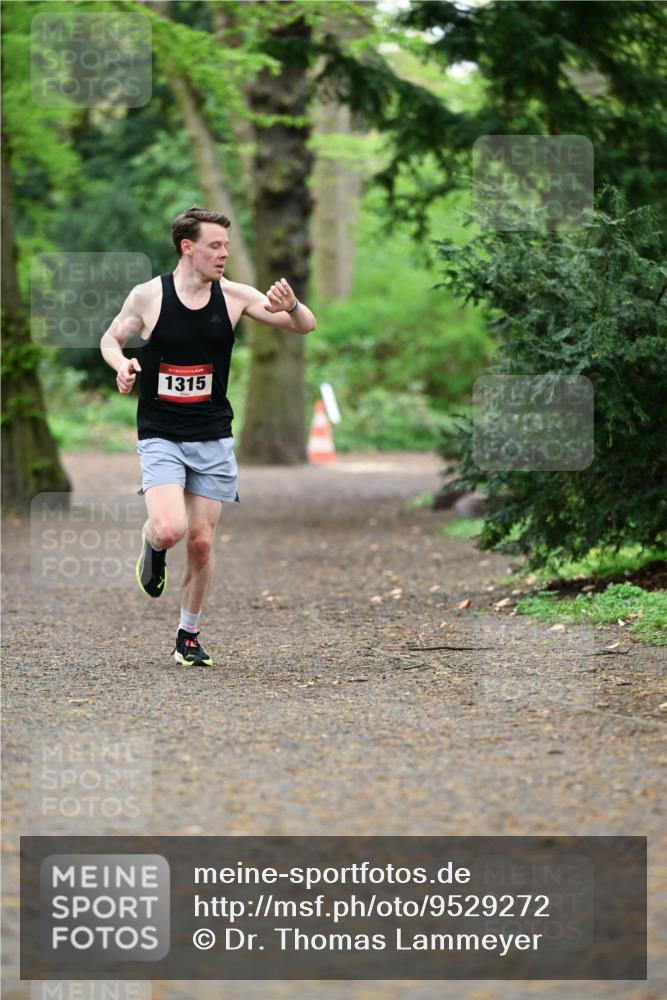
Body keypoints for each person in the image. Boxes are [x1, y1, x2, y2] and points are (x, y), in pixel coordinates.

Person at [100, 206, 316, 667]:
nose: (224, 254)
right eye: (215, 246)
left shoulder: (235, 296)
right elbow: (111, 339)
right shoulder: (148, 296)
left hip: (212, 435)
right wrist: (122, 365)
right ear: (188, 247)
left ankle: (188, 635)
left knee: (201, 542)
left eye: (226, 245)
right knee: (170, 529)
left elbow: (304, 325)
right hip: (160, 432)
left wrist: (292, 306)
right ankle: (152, 541)